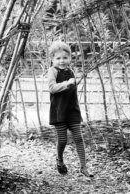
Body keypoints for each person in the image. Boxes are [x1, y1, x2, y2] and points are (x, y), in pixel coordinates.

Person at [47, 41, 93, 177]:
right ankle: (59, 160)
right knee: (62, 140)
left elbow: (72, 94)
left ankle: (84, 167)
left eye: (65, 58)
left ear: (69, 58)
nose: (62, 61)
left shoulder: (71, 72)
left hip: (72, 110)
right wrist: (67, 83)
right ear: (52, 59)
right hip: (59, 111)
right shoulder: (52, 71)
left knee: (79, 138)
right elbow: (52, 88)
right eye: (58, 58)